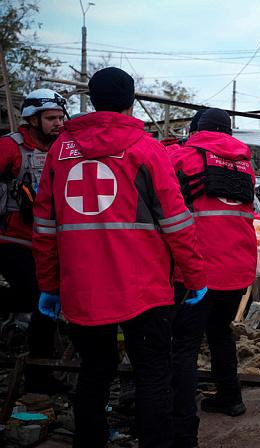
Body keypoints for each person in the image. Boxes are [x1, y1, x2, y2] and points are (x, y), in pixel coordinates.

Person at [32, 67, 208, 447]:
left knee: (94, 373)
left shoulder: (59, 153)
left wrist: (49, 286)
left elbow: (44, 228)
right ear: (131, 102)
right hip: (144, 291)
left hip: (83, 292)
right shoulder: (146, 150)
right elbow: (177, 223)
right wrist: (194, 277)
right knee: (153, 375)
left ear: (91, 101)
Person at [170, 108, 258, 446]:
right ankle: (230, 396)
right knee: (220, 330)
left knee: (185, 344)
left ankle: (181, 422)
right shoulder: (244, 164)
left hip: (199, 268)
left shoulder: (182, 156)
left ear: (196, 129)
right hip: (239, 265)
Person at [0, 89, 69, 394]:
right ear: (32, 119)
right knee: (35, 298)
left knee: (48, 304)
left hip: (44, 241)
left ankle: (40, 375)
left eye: (61, 117)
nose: (58, 123)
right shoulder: (9, 147)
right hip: (10, 238)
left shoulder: (63, 149)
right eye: (52, 118)